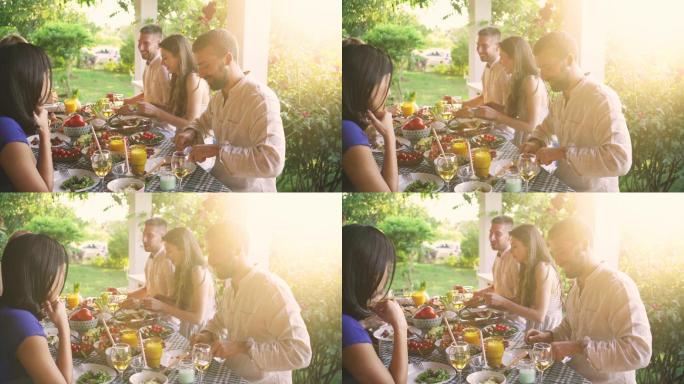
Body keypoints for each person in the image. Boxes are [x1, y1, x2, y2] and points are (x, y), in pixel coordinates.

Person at [526, 218, 651, 383]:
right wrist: (548, 336)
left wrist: (578, 347)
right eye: (554, 253)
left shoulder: (618, 286)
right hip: (576, 376)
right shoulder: (577, 285)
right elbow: (571, 326)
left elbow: (639, 352)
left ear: (584, 244)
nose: (557, 260)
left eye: (562, 251)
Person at [191, 221, 311, 383]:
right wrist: (206, 334)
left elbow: (300, 353)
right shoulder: (230, 285)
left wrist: (242, 347)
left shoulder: (272, 289)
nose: (210, 260)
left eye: (215, 252)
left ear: (238, 249)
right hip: (232, 377)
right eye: (209, 252)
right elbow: (219, 320)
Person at [174, 29, 285, 192]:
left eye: (205, 65)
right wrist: (190, 132)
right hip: (217, 185)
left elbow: (272, 162)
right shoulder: (218, 97)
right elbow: (202, 123)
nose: (201, 73)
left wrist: (217, 151)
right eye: (199, 66)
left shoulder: (261, 99)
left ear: (227, 58)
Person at [522, 31, 632, 192]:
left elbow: (619, 160)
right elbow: (545, 129)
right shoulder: (560, 101)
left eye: (548, 67)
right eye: (540, 69)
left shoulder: (602, 99)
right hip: (562, 185)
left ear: (569, 59)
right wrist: (535, 142)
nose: (543, 76)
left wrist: (562, 153)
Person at [0, 233, 72, 383]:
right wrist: (64, 326)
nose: (62, 280)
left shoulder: (8, 308)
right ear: (42, 274)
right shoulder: (21, 322)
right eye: (61, 272)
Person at [342, 224, 408, 383]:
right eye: (384, 265)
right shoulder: (346, 326)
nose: (386, 272)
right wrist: (400, 325)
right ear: (364, 272)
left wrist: (362, 324)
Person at [473, 36, 549, 147]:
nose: (501, 62)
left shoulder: (531, 81)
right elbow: (514, 113)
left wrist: (496, 115)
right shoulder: (517, 79)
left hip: (534, 145)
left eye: (503, 57)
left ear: (515, 58)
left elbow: (531, 126)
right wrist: (491, 106)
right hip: (520, 142)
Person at [485, 224, 562, 332]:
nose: (511, 252)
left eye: (515, 246)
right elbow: (520, 301)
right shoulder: (526, 266)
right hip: (532, 329)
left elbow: (539, 316)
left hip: (547, 331)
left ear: (529, 246)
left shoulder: (542, 267)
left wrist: (503, 301)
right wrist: (492, 303)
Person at [342, 43, 398, 192]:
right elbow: (389, 195)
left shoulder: (347, 122)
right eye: (386, 83)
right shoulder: (348, 131)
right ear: (366, 83)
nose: (389, 93)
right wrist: (389, 136)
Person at [142, 227, 215, 339]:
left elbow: (197, 318)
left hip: (201, 335)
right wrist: (162, 299)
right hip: (186, 331)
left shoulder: (198, 271)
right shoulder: (183, 270)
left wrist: (163, 306)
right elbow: (184, 306)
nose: (166, 256)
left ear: (184, 249)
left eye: (169, 251)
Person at [0, 43, 54, 192]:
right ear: (29, 80)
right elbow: (44, 194)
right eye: (46, 76)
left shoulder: (8, 120)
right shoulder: (6, 128)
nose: (49, 82)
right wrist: (44, 130)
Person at [445, 27, 513, 139]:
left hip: (503, 133)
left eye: (484, 46)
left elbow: (510, 110)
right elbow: (483, 98)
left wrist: (473, 112)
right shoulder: (487, 67)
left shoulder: (505, 71)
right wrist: (459, 103)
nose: (479, 50)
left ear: (497, 47)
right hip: (486, 126)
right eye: (478, 45)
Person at [133, 34, 211, 131]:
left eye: (165, 58)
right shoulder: (178, 76)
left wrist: (156, 112)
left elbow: (190, 123)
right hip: (180, 138)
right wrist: (144, 108)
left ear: (179, 57)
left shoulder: (193, 78)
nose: (162, 63)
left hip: (198, 142)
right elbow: (173, 110)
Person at [123, 218, 175, 307]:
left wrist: (140, 303)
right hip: (150, 315)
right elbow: (147, 289)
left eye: (150, 236)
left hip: (166, 319)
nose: (144, 240)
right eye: (143, 235)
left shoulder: (168, 261)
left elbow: (174, 300)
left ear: (163, 237)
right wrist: (123, 297)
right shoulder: (151, 258)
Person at [470, 216, 520, 305]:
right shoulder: (499, 255)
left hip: (512, 317)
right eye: (491, 233)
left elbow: (521, 299)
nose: (491, 238)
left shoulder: (516, 259)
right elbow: (497, 288)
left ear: (510, 237)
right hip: (498, 312)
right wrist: (474, 294)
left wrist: (486, 302)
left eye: (498, 234)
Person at [123, 25, 171, 110]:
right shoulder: (149, 62)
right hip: (147, 119)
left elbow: (169, 106)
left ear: (159, 44)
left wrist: (135, 108)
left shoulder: (163, 67)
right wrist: (124, 102)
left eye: (146, 43)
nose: (140, 48)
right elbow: (148, 94)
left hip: (159, 122)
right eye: (139, 42)